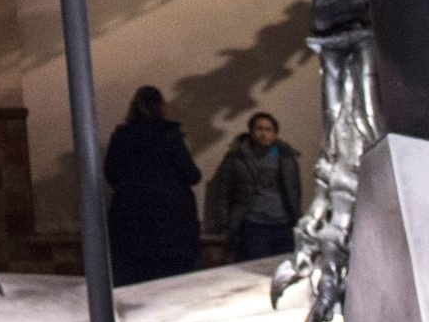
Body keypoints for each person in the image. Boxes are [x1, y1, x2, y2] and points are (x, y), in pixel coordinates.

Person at [104, 86, 202, 284]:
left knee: (136, 278)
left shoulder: (122, 136)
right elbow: (192, 175)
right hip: (172, 219)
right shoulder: (170, 135)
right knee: (172, 280)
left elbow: (111, 173)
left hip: (131, 217)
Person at [207, 110, 306, 264]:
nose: (263, 134)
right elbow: (222, 189)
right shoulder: (237, 156)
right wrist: (224, 222)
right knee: (256, 267)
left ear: (275, 133)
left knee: (283, 266)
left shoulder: (285, 156)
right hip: (253, 224)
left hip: (283, 223)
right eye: (259, 129)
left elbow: (295, 189)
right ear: (251, 132)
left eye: (268, 130)